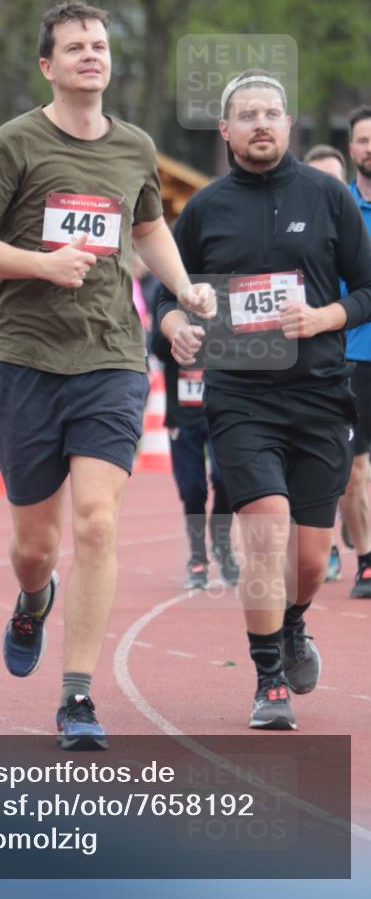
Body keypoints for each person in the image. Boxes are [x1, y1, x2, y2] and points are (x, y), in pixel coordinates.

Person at [0, 0, 216, 749]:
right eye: (74, 47)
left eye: (99, 45)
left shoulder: (134, 146)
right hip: (25, 359)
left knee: (98, 522)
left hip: (108, 357)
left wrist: (183, 283)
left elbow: (147, 225)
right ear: (48, 65)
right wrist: (40, 263)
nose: (90, 56)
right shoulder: (13, 144)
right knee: (37, 544)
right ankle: (33, 598)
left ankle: (77, 698)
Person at [159, 69, 371, 732]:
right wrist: (174, 326)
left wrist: (324, 318)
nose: (259, 123)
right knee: (263, 531)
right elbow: (166, 296)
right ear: (224, 131)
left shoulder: (329, 196)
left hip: (317, 395)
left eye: (270, 113)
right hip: (240, 396)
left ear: (288, 125)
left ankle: (293, 625)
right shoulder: (204, 208)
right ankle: (268, 681)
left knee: (307, 561)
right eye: (246, 114)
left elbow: (367, 288)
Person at [150, 294, 239, 589]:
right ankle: (197, 555)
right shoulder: (171, 290)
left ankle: (222, 539)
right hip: (183, 414)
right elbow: (158, 347)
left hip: (221, 409)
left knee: (225, 477)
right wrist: (181, 331)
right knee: (192, 489)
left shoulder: (224, 288)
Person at [302, 145, 348, 582]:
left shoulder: (350, 217)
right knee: (350, 463)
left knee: (358, 471)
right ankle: (333, 543)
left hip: (357, 346)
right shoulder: (292, 227)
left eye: (332, 180)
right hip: (322, 366)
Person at [338, 106, 371, 598]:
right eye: (364, 140)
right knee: (354, 463)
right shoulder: (337, 205)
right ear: (351, 148)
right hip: (352, 351)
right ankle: (366, 559)